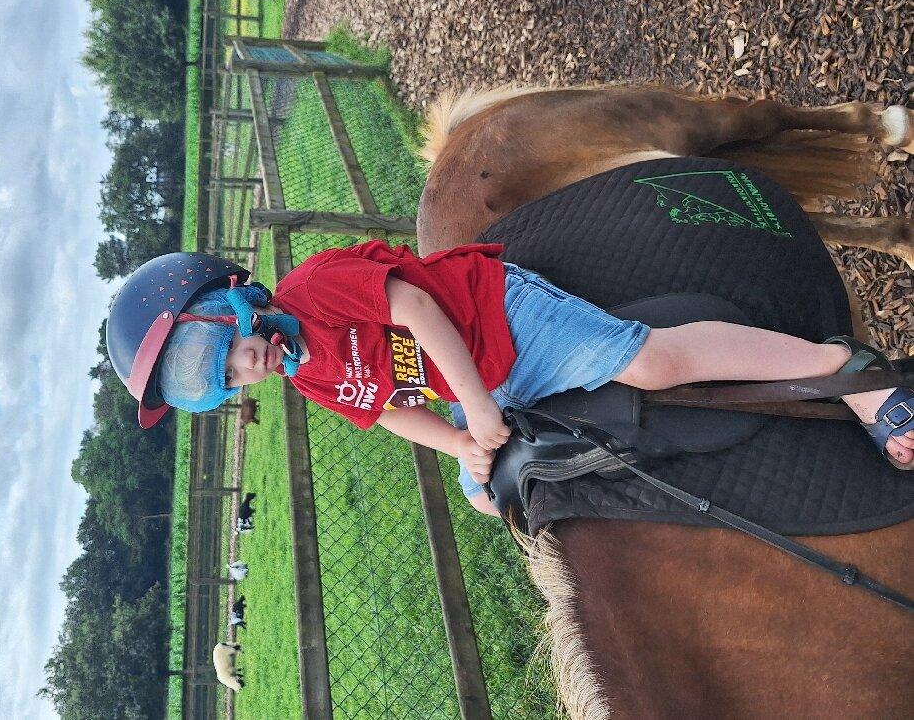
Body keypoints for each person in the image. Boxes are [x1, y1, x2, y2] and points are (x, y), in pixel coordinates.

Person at [106, 243, 914, 518]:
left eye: (230, 353)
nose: (247, 372)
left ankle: (840, 369)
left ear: (229, 305)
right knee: (490, 495)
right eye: (224, 383)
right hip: (466, 387)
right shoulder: (307, 377)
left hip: (493, 321)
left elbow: (420, 312)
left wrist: (484, 405)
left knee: (648, 360)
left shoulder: (313, 291)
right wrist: (462, 443)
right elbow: (389, 412)